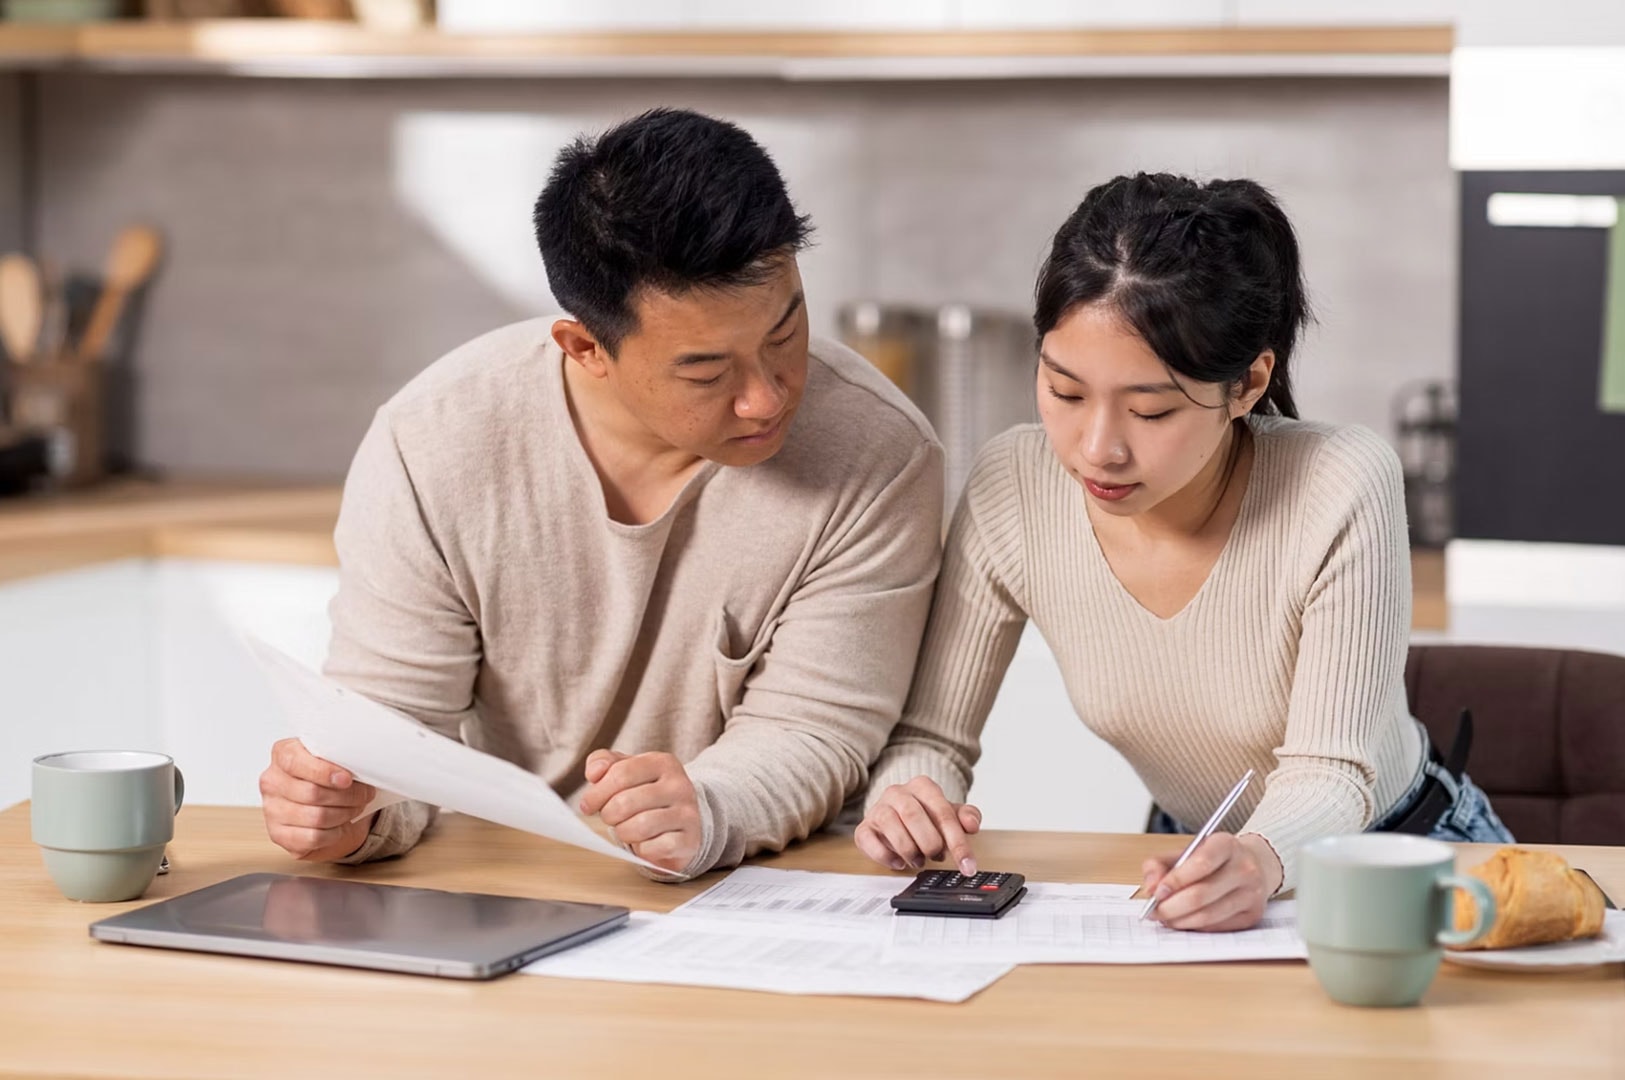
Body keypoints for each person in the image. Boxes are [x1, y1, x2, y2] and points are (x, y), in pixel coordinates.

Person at [257, 108, 944, 879]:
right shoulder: (434, 443)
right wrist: (348, 810)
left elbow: (818, 727)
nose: (766, 396)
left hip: (771, 885)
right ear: (586, 348)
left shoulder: (877, 449)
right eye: (707, 372)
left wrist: (708, 811)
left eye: (784, 333)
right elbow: (392, 736)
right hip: (509, 881)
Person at [856, 172, 1512, 930]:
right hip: (1194, 864)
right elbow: (930, 735)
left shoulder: (1338, 483)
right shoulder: (1014, 483)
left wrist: (1261, 860)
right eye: (1064, 392)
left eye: (1150, 410)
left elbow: (1331, 769)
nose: (1096, 449)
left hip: (1394, 855)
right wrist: (907, 796)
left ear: (1246, 385)